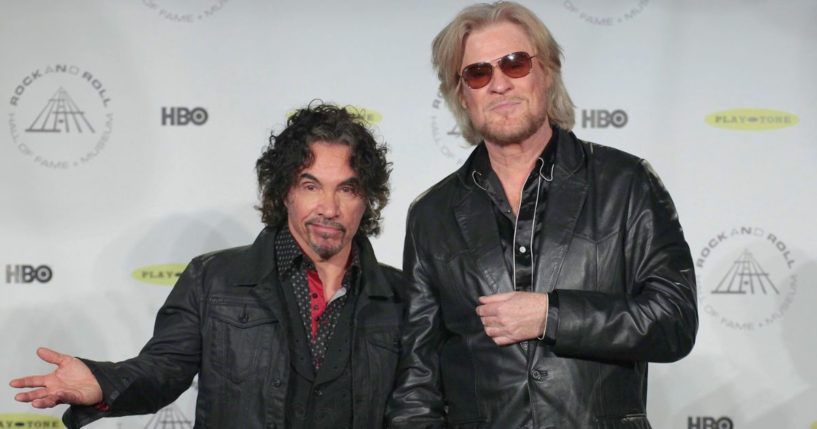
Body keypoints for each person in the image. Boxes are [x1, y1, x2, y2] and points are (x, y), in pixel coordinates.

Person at [387, 2, 698, 428]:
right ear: (461, 94)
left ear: (546, 71)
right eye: (478, 73)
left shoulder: (625, 183)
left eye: (514, 64)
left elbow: (673, 320)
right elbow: (417, 382)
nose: (498, 84)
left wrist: (551, 315)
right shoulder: (432, 215)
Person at [10, 102, 405, 429]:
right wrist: (101, 382)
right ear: (284, 192)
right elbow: (163, 370)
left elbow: (420, 406)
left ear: (366, 199)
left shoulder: (403, 296)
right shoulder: (213, 279)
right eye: (311, 185)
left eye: (347, 189)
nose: (329, 208)